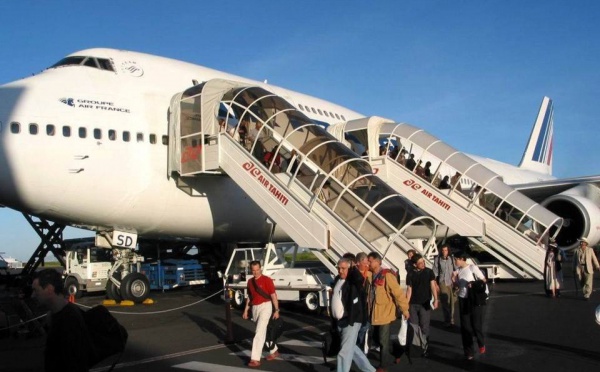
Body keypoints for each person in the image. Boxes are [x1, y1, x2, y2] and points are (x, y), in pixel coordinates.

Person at [32, 268, 93, 372]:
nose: (33, 295)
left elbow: (74, 362)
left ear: (49, 289)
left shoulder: (69, 319)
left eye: (36, 290)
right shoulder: (55, 314)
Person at [330, 258, 375, 372]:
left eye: (344, 268)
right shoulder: (338, 280)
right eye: (339, 268)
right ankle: (370, 370)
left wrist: (354, 268)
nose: (340, 271)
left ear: (349, 269)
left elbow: (359, 279)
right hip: (340, 320)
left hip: (351, 320)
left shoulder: (352, 281)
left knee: (344, 352)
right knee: (352, 349)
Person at [367, 252, 409, 371]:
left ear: (378, 261)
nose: (368, 263)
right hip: (374, 313)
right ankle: (398, 351)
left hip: (385, 312)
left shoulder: (387, 275)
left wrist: (404, 309)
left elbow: (398, 293)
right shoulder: (369, 275)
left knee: (382, 340)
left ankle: (383, 366)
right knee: (377, 339)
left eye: (370, 261)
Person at [243, 260, 280, 367]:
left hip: (266, 306)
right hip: (255, 308)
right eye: (253, 270)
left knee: (259, 332)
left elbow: (273, 296)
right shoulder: (250, 282)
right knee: (263, 331)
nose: (256, 272)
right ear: (251, 270)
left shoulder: (267, 280)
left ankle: (255, 359)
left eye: (258, 270)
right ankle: (274, 351)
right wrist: (246, 310)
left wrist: (277, 310)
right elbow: (249, 297)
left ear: (261, 268)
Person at [452, 253, 487, 360]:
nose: (455, 261)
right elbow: (457, 286)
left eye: (456, 259)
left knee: (476, 325)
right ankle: (469, 352)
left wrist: (473, 283)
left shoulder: (472, 268)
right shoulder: (458, 271)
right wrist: (454, 280)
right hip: (463, 299)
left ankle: (481, 343)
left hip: (474, 299)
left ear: (462, 259)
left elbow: (483, 280)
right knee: (465, 327)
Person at [406, 254, 438, 356]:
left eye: (423, 262)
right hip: (413, 304)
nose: (423, 264)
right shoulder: (410, 274)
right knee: (414, 326)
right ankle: (416, 347)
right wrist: (405, 305)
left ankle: (425, 346)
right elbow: (409, 290)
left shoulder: (429, 272)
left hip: (425, 303)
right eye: (420, 263)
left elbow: (433, 286)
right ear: (415, 265)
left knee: (424, 326)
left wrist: (436, 299)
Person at [432, 244, 457, 326]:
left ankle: (452, 318)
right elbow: (435, 272)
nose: (444, 252)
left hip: (452, 282)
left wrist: (455, 278)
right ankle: (447, 320)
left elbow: (456, 270)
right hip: (442, 281)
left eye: (445, 250)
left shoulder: (452, 259)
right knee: (445, 301)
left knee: (452, 301)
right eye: (442, 250)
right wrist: (435, 284)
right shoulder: (438, 259)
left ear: (448, 251)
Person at [354, 252, 372, 353]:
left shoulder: (369, 274)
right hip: (356, 307)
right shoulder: (353, 274)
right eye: (366, 262)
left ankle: (360, 348)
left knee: (365, 327)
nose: (367, 264)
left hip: (366, 307)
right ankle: (357, 347)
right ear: (360, 262)